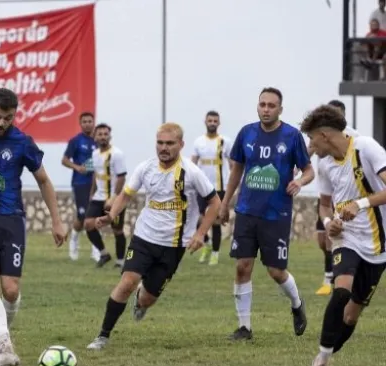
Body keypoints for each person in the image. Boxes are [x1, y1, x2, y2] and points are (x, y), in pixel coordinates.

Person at [86, 122, 220, 350]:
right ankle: (102, 336)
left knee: (148, 298)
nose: (164, 148)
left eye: (169, 143)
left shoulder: (191, 172)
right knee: (127, 282)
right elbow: (125, 195)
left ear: (181, 145)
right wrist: (111, 216)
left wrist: (200, 234)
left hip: (173, 246)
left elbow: (215, 203)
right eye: (160, 143)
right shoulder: (145, 168)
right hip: (144, 238)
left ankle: (141, 301)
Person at [0, 88, 66, 366]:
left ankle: (3, 335)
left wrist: (56, 220)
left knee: (9, 289)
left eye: (7, 118)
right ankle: (5, 347)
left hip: (10, 221)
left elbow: (44, 181)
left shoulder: (22, 143)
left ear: (15, 116)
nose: (1, 123)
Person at [297, 104, 386, 366]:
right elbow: (324, 204)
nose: (310, 147)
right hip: (346, 240)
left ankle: (325, 356)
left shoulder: (366, 148)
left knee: (350, 316)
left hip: (379, 245)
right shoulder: (324, 164)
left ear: (324, 135)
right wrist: (327, 222)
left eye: (312, 140)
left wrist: (359, 204)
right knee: (342, 290)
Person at [218, 87, 314, 341]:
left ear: (280, 109)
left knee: (275, 271)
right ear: (257, 106)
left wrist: (300, 182)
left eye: (272, 105)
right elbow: (236, 170)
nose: (266, 109)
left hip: (276, 214)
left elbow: (308, 170)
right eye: (262, 104)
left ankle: (296, 304)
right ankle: (244, 328)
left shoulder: (292, 136)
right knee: (242, 266)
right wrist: (225, 202)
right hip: (247, 211)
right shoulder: (246, 133)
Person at [312, 100, 360, 296]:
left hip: (348, 197)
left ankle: (329, 277)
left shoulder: (357, 139)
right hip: (327, 191)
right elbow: (308, 151)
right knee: (324, 239)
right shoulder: (322, 152)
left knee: (338, 238)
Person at [191, 110, 233, 266]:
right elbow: (193, 163)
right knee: (196, 217)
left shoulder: (225, 141)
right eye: (210, 121)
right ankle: (206, 244)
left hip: (219, 186)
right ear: (205, 122)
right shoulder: (198, 142)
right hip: (202, 186)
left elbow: (232, 164)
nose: (212, 123)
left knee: (216, 221)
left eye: (215, 121)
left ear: (219, 123)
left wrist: (234, 184)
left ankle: (215, 253)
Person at [83, 123, 128, 268]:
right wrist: (91, 194)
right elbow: (95, 175)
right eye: (100, 134)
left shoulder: (117, 154)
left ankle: (120, 261)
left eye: (105, 134)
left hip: (115, 198)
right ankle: (104, 254)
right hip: (98, 196)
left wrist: (114, 197)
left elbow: (121, 177)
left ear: (110, 136)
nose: (103, 137)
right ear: (95, 137)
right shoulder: (94, 154)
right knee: (88, 224)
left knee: (117, 229)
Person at [62, 112, 100, 262]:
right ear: (80, 124)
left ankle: (97, 250)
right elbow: (64, 160)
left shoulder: (100, 141)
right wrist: (77, 167)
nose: (87, 124)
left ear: (93, 122)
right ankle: (74, 240)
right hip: (80, 183)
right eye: (84, 121)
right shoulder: (75, 141)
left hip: (98, 183)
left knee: (95, 215)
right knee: (83, 216)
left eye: (90, 121)